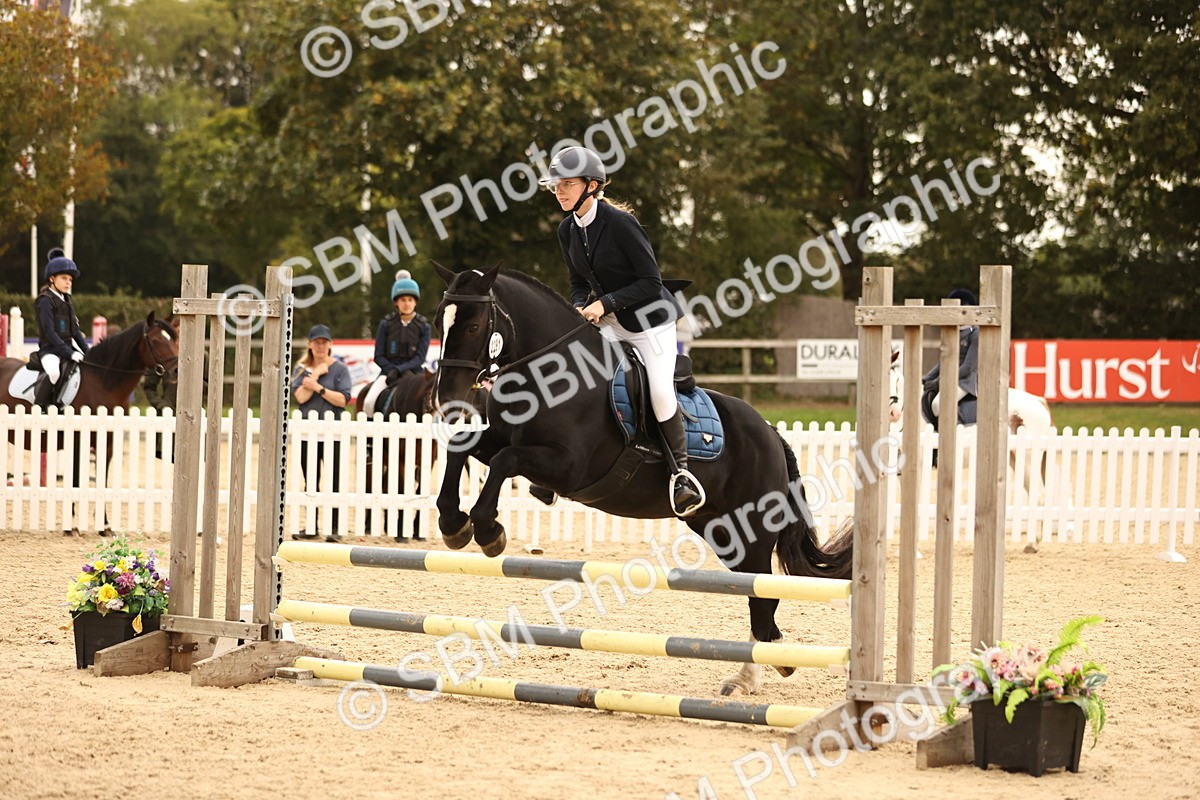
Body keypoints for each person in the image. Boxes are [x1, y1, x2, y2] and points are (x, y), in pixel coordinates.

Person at [539, 145, 704, 518]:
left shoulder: (620, 224)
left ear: (592, 185)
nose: (559, 192)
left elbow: (650, 281)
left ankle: (681, 475)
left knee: (661, 391)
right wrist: (581, 304)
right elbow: (577, 281)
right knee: (575, 371)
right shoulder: (567, 229)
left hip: (651, 321)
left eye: (566, 184)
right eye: (556, 186)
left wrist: (605, 304)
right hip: (611, 318)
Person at [291, 324, 352, 542]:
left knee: (334, 481)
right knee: (311, 480)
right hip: (308, 433)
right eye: (316, 342)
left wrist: (317, 387)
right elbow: (299, 397)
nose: (320, 346)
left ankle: (334, 528)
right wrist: (315, 374)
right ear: (309, 345)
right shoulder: (301, 368)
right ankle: (310, 526)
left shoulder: (340, 369)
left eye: (324, 342)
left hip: (333, 433)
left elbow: (342, 399)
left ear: (330, 345)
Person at [362, 270, 432, 415]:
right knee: (369, 402)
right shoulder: (386, 324)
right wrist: (391, 370)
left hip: (413, 374)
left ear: (415, 302)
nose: (407, 304)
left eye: (410, 300)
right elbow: (379, 355)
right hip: (388, 373)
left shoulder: (424, 326)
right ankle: (370, 437)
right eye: (403, 300)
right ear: (396, 302)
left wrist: (400, 370)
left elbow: (420, 357)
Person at [33, 248, 89, 409]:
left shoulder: (67, 300)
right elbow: (49, 332)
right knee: (54, 372)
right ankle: (40, 408)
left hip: (66, 348)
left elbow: (75, 332)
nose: (68, 283)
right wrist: (69, 353)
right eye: (64, 278)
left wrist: (87, 351)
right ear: (52, 278)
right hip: (49, 350)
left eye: (70, 280)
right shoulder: (45, 300)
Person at [920, 287, 980, 431]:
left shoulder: (976, 333)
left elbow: (968, 366)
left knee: (937, 404)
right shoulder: (952, 332)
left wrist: (943, 378)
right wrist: (926, 378)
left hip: (966, 381)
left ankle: (953, 432)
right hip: (949, 377)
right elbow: (944, 361)